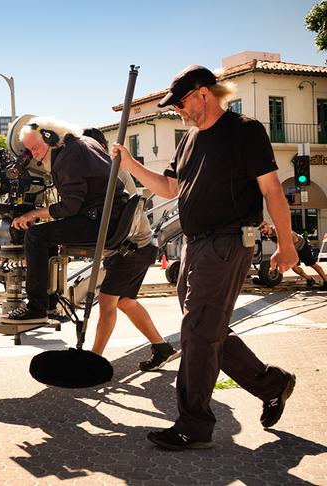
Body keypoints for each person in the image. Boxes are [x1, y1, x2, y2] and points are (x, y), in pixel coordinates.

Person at [111, 65, 297, 451]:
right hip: (194, 245)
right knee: (207, 328)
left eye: (180, 103)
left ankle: (194, 424)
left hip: (229, 241)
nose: (177, 110)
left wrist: (286, 242)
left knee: (197, 330)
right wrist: (130, 164)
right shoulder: (189, 141)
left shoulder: (244, 131)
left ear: (203, 93)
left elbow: (272, 190)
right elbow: (170, 187)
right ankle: (271, 384)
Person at [6, 117, 129, 324]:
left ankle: (36, 307)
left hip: (100, 222)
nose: (34, 155)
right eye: (29, 150)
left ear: (50, 137)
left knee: (36, 236)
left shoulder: (68, 157)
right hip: (109, 217)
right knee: (47, 235)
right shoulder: (83, 143)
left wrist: (33, 214)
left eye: (35, 148)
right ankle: (49, 302)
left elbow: (70, 207)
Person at [91, 211, 179, 370]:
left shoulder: (116, 194)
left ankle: (93, 361)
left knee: (107, 301)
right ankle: (162, 349)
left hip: (130, 251)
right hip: (139, 249)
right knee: (125, 302)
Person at [259, 222, 327, 289]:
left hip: (301, 245)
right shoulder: (269, 235)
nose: (262, 230)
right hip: (292, 249)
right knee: (294, 267)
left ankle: (326, 280)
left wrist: (290, 249)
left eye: (262, 227)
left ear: (267, 225)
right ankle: (310, 279)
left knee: (312, 264)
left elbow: (294, 237)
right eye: (259, 229)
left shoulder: (278, 229)